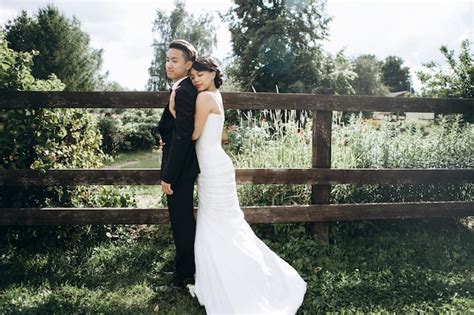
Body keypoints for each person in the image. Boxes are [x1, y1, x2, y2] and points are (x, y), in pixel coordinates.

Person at [185, 57, 307, 314]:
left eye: (200, 74)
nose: (195, 79)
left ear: (213, 73)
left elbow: (193, 134)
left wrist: (174, 109)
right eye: (193, 76)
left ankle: (228, 280)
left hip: (213, 168)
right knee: (224, 222)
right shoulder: (216, 96)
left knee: (215, 222)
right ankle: (233, 274)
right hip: (216, 165)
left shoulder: (204, 98)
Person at [157, 39, 200, 290]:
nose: (169, 64)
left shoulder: (184, 91)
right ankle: (186, 270)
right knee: (182, 220)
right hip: (180, 163)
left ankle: (184, 277)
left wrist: (169, 175)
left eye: (175, 60)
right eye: (167, 59)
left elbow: (184, 136)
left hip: (180, 168)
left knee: (181, 221)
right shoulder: (181, 88)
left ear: (188, 65)